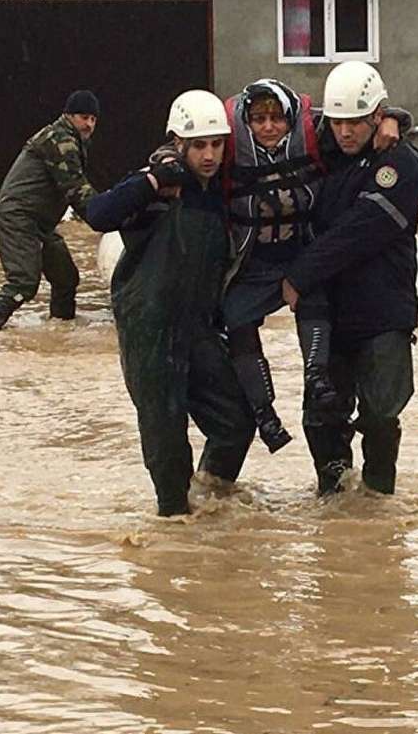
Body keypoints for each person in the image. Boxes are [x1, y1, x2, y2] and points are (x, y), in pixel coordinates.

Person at [81, 90, 256, 517]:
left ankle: (212, 499)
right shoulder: (156, 187)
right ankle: (174, 521)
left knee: (236, 419)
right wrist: (152, 181)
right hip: (150, 328)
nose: (209, 156)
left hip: (197, 328)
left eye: (216, 144)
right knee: (166, 433)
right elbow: (97, 214)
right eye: (198, 146)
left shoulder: (222, 190)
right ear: (178, 143)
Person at [220, 79, 407, 453]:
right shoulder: (224, 143)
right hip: (253, 262)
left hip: (300, 256)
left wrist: (397, 119)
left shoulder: (314, 135)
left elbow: (357, 117)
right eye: (259, 120)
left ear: (291, 120)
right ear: (246, 121)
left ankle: (317, 375)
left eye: (277, 119)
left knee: (315, 299)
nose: (268, 127)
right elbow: (183, 145)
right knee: (236, 319)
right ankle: (264, 413)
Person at [282, 62, 418, 496]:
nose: (345, 132)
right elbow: (260, 127)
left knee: (381, 413)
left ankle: (379, 498)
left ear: (376, 115)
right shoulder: (320, 151)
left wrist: (299, 276)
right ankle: (335, 502)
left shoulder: (400, 166)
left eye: (356, 123)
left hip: (383, 313)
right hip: (327, 312)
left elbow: (358, 232)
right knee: (322, 415)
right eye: (338, 122)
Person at [0, 90, 100, 332]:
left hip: (40, 222)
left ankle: (61, 331)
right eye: (84, 117)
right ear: (69, 116)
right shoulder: (60, 140)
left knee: (66, 278)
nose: (89, 124)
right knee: (23, 282)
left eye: (93, 119)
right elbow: (76, 190)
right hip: (18, 217)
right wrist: (107, 217)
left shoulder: (72, 140)